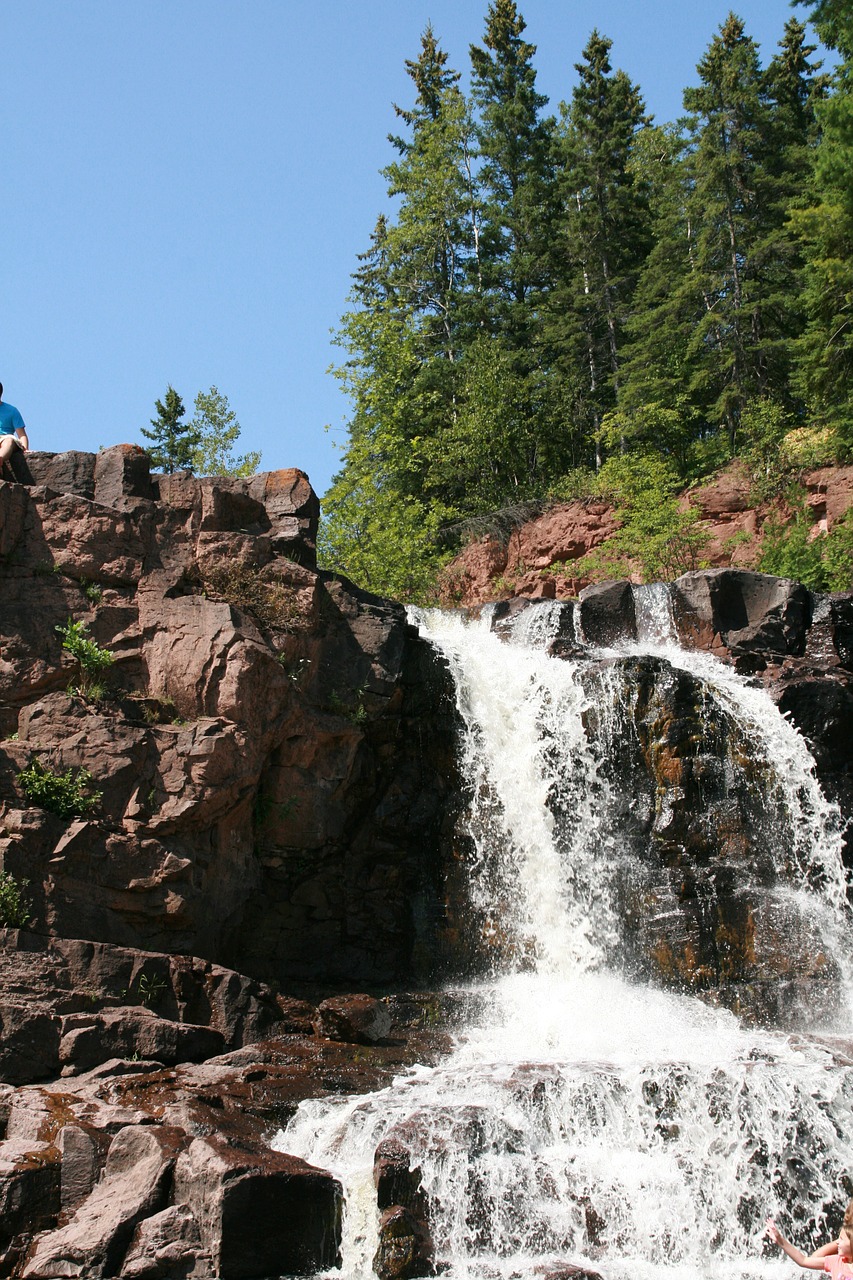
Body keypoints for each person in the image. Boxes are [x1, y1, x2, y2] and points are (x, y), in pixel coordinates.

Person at [766, 1212, 853, 1276]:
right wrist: (780, 1240)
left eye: (841, 1239)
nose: (837, 1242)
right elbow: (803, 1260)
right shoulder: (835, 1261)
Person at [0, 383, 29, 472]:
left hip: (6, 437)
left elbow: (21, 434)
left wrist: (25, 448)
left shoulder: (11, 411)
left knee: (9, 441)